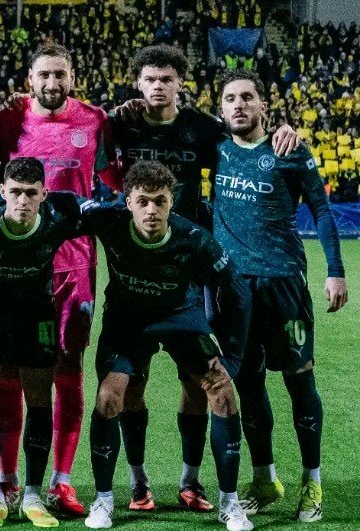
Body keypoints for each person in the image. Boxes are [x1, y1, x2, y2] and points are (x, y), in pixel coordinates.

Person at [108, 44, 300, 512]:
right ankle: (137, 483)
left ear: (180, 83)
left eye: (167, 79)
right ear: (138, 83)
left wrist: (282, 129)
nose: (158, 86)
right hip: (134, 268)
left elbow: (247, 137)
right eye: (150, 79)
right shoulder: (121, 122)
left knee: (197, 381)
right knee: (132, 384)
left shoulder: (204, 128)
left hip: (191, 273)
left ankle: (190, 481)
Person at [77, 160, 253, 531]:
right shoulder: (107, 220)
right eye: (142, 201)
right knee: (110, 397)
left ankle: (226, 501)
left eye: (160, 201)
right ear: (128, 202)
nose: (151, 210)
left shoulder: (194, 238)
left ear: (172, 200)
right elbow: (62, 206)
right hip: (127, 320)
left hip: (180, 317)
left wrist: (233, 360)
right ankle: (112, 496)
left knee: (221, 393)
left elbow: (237, 290)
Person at [0, 42, 116, 516]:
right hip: (17, 264)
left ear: (73, 77)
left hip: (75, 267)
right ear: (30, 79)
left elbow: (116, 182)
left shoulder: (96, 121)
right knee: (10, 370)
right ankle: (7, 479)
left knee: (68, 368)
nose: (52, 82)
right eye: (44, 74)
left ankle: (61, 479)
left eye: (60, 74)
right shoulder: (5, 121)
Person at [213, 69, 348, 523]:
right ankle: (265, 479)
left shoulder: (290, 150)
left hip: (284, 283)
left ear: (263, 105)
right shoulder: (215, 146)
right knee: (249, 385)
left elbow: (322, 211)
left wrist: (335, 271)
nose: (238, 105)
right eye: (230, 98)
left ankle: (312, 481)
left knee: (299, 381)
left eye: (247, 97)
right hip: (235, 289)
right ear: (220, 108)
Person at [0, 157, 102, 528]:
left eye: (31, 193)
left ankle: (33, 495)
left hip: (35, 318)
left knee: (39, 399)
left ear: (44, 194)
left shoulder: (58, 219)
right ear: (2, 190)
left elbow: (107, 215)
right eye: (15, 192)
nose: (22, 201)